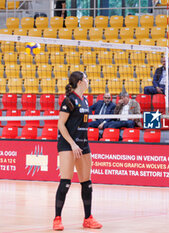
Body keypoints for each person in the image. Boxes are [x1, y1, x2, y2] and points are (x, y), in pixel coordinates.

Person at [54, 71, 102, 230]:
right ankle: (57, 218)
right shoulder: (68, 100)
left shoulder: (86, 100)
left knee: (87, 182)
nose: (88, 81)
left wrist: (80, 144)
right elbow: (60, 125)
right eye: (86, 78)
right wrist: (73, 144)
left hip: (83, 143)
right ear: (80, 82)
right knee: (66, 181)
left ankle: (88, 218)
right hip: (68, 144)